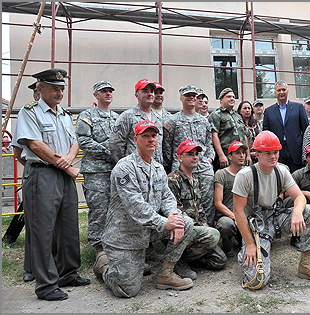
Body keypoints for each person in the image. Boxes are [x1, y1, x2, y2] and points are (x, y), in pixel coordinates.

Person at [14, 68, 89, 301]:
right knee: (42, 230)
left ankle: (67, 272)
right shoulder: (30, 113)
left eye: (61, 88)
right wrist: (65, 165)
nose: (59, 92)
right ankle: (46, 285)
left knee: (68, 226)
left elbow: (74, 142)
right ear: (40, 89)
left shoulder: (65, 115)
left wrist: (68, 159)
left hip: (64, 176)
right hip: (42, 175)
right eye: (54, 88)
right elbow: (34, 145)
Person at [100, 121, 194, 297]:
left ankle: (166, 275)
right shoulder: (125, 168)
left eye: (153, 136)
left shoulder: (158, 168)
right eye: (145, 136)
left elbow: (167, 196)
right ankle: (105, 265)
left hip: (148, 231)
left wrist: (174, 216)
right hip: (124, 237)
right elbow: (136, 207)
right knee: (127, 291)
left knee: (185, 222)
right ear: (135, 139)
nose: (151, 139)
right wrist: (167, 223)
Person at [233, 131, 310, 289]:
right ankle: (246, 252)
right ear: (257, 154)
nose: (273, 157)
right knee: (257, 281)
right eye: (268, 153)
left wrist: (297, 212)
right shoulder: (245, 175)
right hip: (257, 225)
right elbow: (238, 212)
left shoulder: (281, 170)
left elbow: (299, 197)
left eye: (276, 152)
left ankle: (305, 266)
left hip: (276, 217)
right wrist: (250, 244)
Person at [75, 80, 120, 277]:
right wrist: (108, 151)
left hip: (116, 171)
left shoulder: (118, 118)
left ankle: (117, 248)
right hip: (96, 172)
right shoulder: (87, 116)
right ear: (96, 95)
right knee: (99, 209)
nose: (108, 94)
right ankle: (100, 251)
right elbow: (84, 140)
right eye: (104, 91)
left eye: (110, 91)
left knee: (116, 210)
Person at [168, 139, 227, 279]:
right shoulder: (172, 179)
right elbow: (172, 210)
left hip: (196, 231)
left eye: (196, 154)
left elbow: (200, 210)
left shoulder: (195, 179)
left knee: (220, 261)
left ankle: (189, 258)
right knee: (213, 235)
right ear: (180, 158)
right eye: (190, 154)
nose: (195, 157)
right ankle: (176, 259)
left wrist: (204, 226)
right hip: (181, 230)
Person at [163, 84, 217, 226]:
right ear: (181, 98)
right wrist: (175, 162)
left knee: (207, 202)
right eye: (188, 95)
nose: (191, 98)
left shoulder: (204, 121)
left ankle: (208, 233)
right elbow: (167, 147)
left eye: (194, 95)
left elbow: (209, 144)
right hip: (182, 170)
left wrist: (210, 159)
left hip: (203, 167)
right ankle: (188, 234)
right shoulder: (172, 121)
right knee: (184, 204)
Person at [12, 81, 39, 283]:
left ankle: (52, 262)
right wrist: (33, 164)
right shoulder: (27, 113)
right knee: (34, 222)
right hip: (37, 171)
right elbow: (17, 151)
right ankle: (30, 266)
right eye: (36, 93)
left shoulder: (59, 114)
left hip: (55, 172)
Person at [109, 78, 164, 166]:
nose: (149, 94)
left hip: (155, 169)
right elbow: (115, 144)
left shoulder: (158, 118)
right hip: (134, 168)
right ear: (137, 95)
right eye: (145, 91)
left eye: (151, 91)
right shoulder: (127, 116)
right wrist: (125, 164)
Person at [262, 80, 310, 173]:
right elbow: (266, 133)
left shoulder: (298, 107)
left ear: (287, 91)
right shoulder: (269, 111)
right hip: (277, 151)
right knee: (279, 177)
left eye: (283, 90)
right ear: (275, 93)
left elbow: (306, 130)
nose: (281, 92)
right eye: (279, 90)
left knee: (296, 178)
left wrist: (306, 152)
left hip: (296, 149)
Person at [213, 141, 247, 257]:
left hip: (245, 214)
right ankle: (227, 246)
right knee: (225, 224)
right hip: (229, 216)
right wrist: (235, 217)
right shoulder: (221, 174)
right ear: (230, 156)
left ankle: (244, 241)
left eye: (243, 153)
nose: (242, 155)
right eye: (238, 153)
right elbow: (218, 203)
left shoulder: (248, 172)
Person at [209, 87, 252, 171]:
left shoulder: (238, 116)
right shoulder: (216, 115)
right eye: (229, 97)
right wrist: (221, 155)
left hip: (242, 157)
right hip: (227, 157)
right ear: (221, 100)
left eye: (233, 97)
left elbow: (244, 135)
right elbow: (214, 135)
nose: (232, 99)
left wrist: (248, 155)